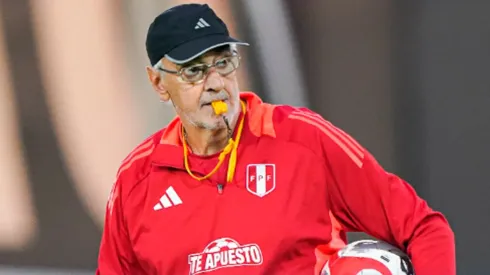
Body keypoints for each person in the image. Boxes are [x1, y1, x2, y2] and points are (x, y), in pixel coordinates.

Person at [96, 3, 455, 275]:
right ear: (159, 83)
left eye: (223, 63)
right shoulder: (137, 179)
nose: (216, 83)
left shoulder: (302, 138)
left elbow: (424, 228)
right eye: (194, 71)